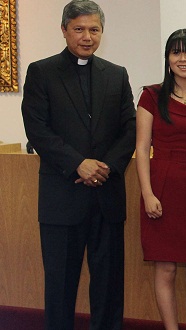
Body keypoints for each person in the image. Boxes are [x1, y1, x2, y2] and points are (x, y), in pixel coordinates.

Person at [20, 0, 136, 329]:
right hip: (62, 198)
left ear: (102, 32)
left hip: (107, 197)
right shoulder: (42, 72)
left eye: (94, 29)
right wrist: (78, 165)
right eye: (79, 29)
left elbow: (130, 129)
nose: (87, 36)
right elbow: (38, 130)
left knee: (110, 287)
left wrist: (106, 168)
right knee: (60, 288)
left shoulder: (116, 74)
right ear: (64, 30)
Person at [135, 29, 186, 330]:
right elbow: (142, 149)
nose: (183, 59)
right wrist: (147, 193)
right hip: (162, 185)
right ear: (168, 58)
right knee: (166, 268)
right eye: (176, 52)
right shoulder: (150, 95)